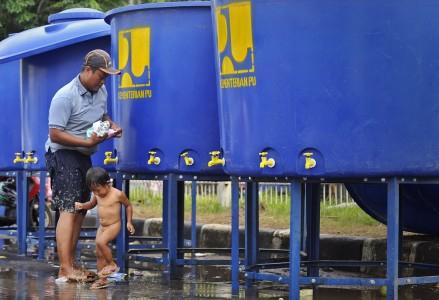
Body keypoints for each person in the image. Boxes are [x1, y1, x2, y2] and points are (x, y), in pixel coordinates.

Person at [45, 49, 122, 283]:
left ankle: (71, 264)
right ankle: (65, 267)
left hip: (83, 154)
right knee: (69, 208)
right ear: (87, 70)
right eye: (101, 75)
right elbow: (55, 134)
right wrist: (86, 141)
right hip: (63, 153)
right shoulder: (65, 96)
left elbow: (102, 114)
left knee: (80, 209)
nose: (104, 80)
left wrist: (111, 125)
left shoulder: (101, 90)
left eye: (107, 76)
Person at [75, 167, 135, 289]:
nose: (96, 193)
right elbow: (91, 204)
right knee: (98, 252)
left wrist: (129, 222)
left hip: (113, 225)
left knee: (101, 242)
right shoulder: (96, 194)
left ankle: (112, 264)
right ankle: (102, 279)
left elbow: (128, 206)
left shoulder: (118, 194)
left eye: (97, 190)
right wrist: (82, 205)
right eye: (93, 191)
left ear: (108, 184)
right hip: (102, 227)